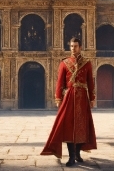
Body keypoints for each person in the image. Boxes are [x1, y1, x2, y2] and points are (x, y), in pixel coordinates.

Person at [40, 37, 97, 167]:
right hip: (69, 97)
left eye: (76, 46)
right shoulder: (64, 63)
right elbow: (60, 82)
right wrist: (58, 98)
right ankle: (71, 156)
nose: (73, 48)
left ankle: (77, 153)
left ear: (80, 47)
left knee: (82, 127)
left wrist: (92, 98)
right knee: (69, 127)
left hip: (82, 98)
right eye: (71, 46)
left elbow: (90, 82)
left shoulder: (87, 63)